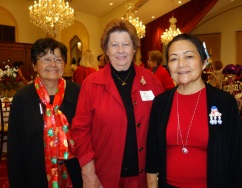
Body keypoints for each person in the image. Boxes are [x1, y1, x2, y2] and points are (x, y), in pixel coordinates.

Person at [71, 19, 164, 188]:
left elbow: (162, 127)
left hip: (145, 178)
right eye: (114, 45)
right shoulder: (91, 84)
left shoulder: (152, 82)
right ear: (106, 49)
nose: (120, 50)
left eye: (126, 44)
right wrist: (88, 173)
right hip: (104, 177)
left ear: (134, 48)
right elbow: (80, 131)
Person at [146, 33, 242, 187]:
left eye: (189, 57)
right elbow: (152, 154)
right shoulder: (161, 103)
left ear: (204, 62)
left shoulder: (225, 103)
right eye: (173, 58)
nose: (181, 64)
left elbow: (236, 158)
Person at [7, 38, 83, 188]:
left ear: (64, 64)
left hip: (75, 175)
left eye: (58, 59)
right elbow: (15, 147)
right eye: (46, 59)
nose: (53, 64)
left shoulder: (78, 93)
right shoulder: (22, 98)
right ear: (34, 65)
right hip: (34, 176)